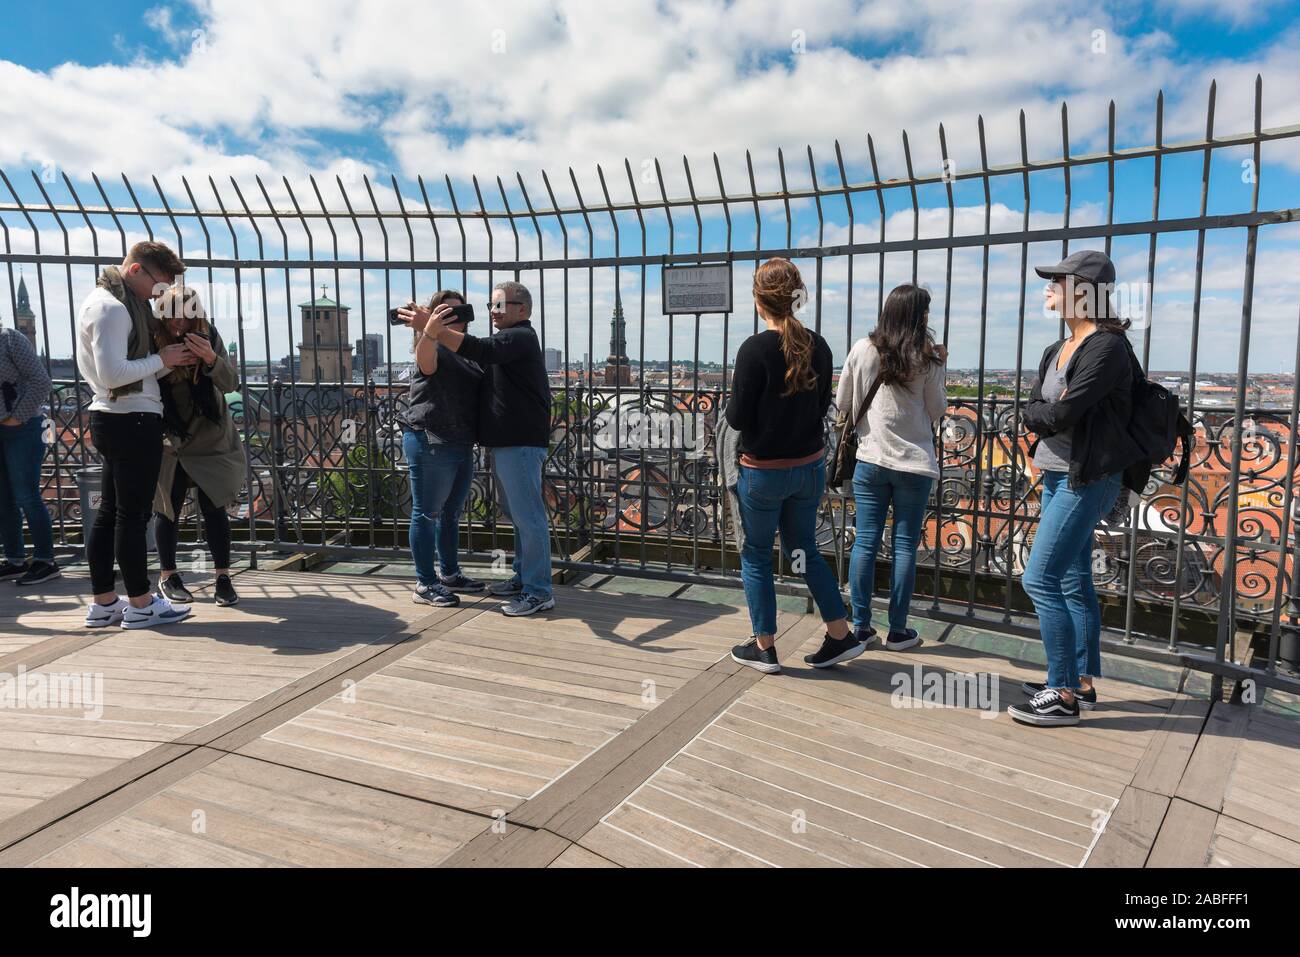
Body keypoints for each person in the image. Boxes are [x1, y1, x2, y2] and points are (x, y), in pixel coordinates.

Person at [1010, 249, 1147, 727]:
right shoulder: (1060, 348)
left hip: (1086, 478)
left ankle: (1062, 691)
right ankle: (1081, 682)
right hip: (1053, 472)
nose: (1048, 287)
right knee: (1072, 579)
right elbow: (1032, 407)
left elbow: (1059, 414)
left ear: (1085, 294)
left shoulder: (1107, 348)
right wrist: (1042, 415)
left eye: (1058, 280)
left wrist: (1042, 415)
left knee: (1038, 578)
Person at [725, 258, 861, 674]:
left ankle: (764, 646)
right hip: (808, 469)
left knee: (757, 555)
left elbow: (736, 418)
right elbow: (822, 407)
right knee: (805, 550)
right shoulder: (819, 346)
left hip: (763, 473)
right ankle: (840, 634)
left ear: (759, 300)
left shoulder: (754, 349)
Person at [416, 280, 554, 617]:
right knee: (520, 518)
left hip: (519, 442)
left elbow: (481, 350)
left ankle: (538, 591)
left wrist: (430, 327)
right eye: (491, 305)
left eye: (499, 305)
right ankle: (524, 579)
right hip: (509, 442)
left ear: (522, 309)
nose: (492, 312)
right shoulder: (512, 340)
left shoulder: (520, 336)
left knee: (529, 518)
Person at [77, 241, 196, 629]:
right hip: (132, 421)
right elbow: (114, 375)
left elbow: (118, 374)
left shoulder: (105, 301)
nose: (159, 295)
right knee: (132, 516)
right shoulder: (113, 309)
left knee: (110, 513)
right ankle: (142, 604)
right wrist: (163, 360)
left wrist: (167, 361)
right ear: (135, 271)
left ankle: (105, 602)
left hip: (113, 416)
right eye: (159, 285)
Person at [837, 284, 947, 652]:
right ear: (920, 317)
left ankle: (861, 626)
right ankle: (898, 630)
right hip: (914, 464)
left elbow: (843, 401)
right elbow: (938, 410)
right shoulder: (927, 358)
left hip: (871, 459)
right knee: (904, 546)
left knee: (865, 541)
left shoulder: (862, 348)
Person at [150, 285, 247, 607]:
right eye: (172, 315)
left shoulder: (208, 334)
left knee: (214, 507)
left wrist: (209, 358)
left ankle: (222, 577)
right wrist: (166, 362)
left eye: (187, 315)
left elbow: (230, 383)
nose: (179, 322)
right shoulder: (151, 337)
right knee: (168, 509)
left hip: (210, 436)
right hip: (171, 438)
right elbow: (138, 379)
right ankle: (168, 575)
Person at [394, 289, 485, 608]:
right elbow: (427, 364)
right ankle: (425, 583)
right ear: (433, 316)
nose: (453, 318)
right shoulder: (429, 345)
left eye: (459, 313)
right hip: (430, 438)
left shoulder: (467, 351)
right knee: (427, 513)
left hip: (460, 440)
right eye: (445, 312)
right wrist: (428, 329)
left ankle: (448, 574)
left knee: (450, 514)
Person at [0, 322, 58, 585]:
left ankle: (45, 561)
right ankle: (15, 560)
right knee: (4, 498)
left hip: (23, 428)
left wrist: (17, 418)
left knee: (26, 496)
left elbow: (41, 381)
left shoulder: (10, 339)